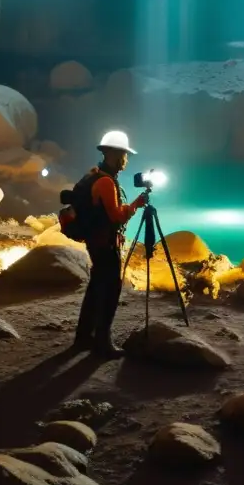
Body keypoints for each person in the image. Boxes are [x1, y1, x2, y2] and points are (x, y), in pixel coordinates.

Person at [74, 130, 148, 357]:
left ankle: (84, 337)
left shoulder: (94, 175)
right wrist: (136, 204)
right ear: (115, 155)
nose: (126, 160)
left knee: (96, 286)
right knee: (110, 291)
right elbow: (116, 216)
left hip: (96, 242)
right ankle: (102, 342)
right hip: (105, 244)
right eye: (124, 155)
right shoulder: (105, 181)